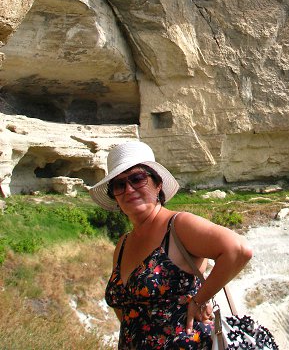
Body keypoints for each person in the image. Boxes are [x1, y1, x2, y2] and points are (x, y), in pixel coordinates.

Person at [89, 140, 252, 349]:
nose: (129, 189)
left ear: (157, 184)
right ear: (115, 196)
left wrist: (200, 300)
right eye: (119, 185)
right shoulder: (123, 243)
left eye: (137, 179)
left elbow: (238, 250)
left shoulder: (178, 226)